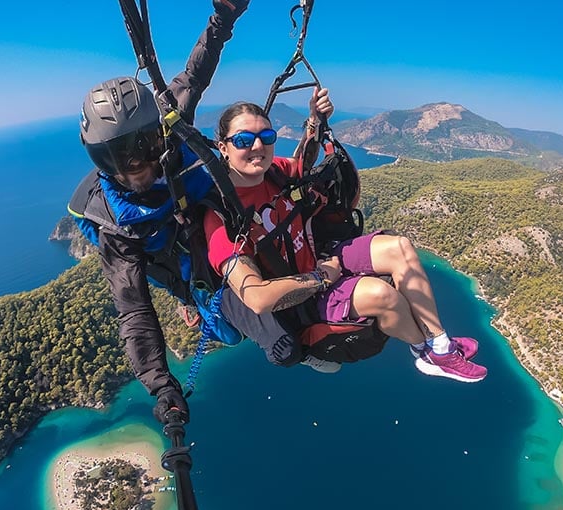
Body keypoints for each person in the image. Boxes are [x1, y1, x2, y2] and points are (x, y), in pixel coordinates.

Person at [69, 0, 319, 427]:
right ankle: (232, 314)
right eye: (116, 159)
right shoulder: (115, 223)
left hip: (225, 227)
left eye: (142, 150)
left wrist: (223, 17)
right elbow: (134, 309)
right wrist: (163, 386)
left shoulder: (172, 127)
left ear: (157, 135)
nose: (135, 168)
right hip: (192, 264)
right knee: (268, 339)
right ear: (100, 161)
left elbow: (194, 73)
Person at [202, 89, 488, 382]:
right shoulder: (223, 218)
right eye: (243, 140)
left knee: (399, 247)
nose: (258, 146)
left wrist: (315, 120)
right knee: (383, 295)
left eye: (267, 136)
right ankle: (423, 351)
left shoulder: (273, 171)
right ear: (223, 147)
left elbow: (301, 166)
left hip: (321, 256)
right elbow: (257, 298)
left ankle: (441, 346)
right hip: (304, 299)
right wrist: (322, 277)